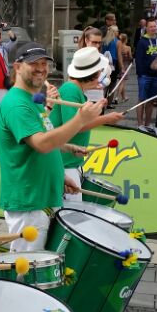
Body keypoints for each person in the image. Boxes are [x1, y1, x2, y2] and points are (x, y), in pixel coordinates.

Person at [0, 41, 121, 251]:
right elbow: (41, 144)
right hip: (30, 201)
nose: (41, 69)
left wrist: (60, 174)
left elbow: (44, 140)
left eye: (44, 64)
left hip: (42, 197)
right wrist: (80, 120)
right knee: (27, 272)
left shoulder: (33, 101)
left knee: (43, 268)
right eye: (33, 64)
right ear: (17, 67)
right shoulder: (17, 104)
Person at [54, 47, 108, 201]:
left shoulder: (76, 90)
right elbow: (74, 126)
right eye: (99, 72)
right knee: (71, 215)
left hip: (69, 162)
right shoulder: (71, 89)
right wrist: (106, 118)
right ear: (93, 75)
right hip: (65, 164)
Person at [134, 18, 157, 126]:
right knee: (142, 99)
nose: (153, 28)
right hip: (144, 76)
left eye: (154, 26)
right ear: (146, 28)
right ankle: (140, 124)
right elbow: (138, 59)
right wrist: (140, 74)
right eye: (150, 26)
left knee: (151, 101)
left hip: (156, 76)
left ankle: (147, 123)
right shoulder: (142, 42)